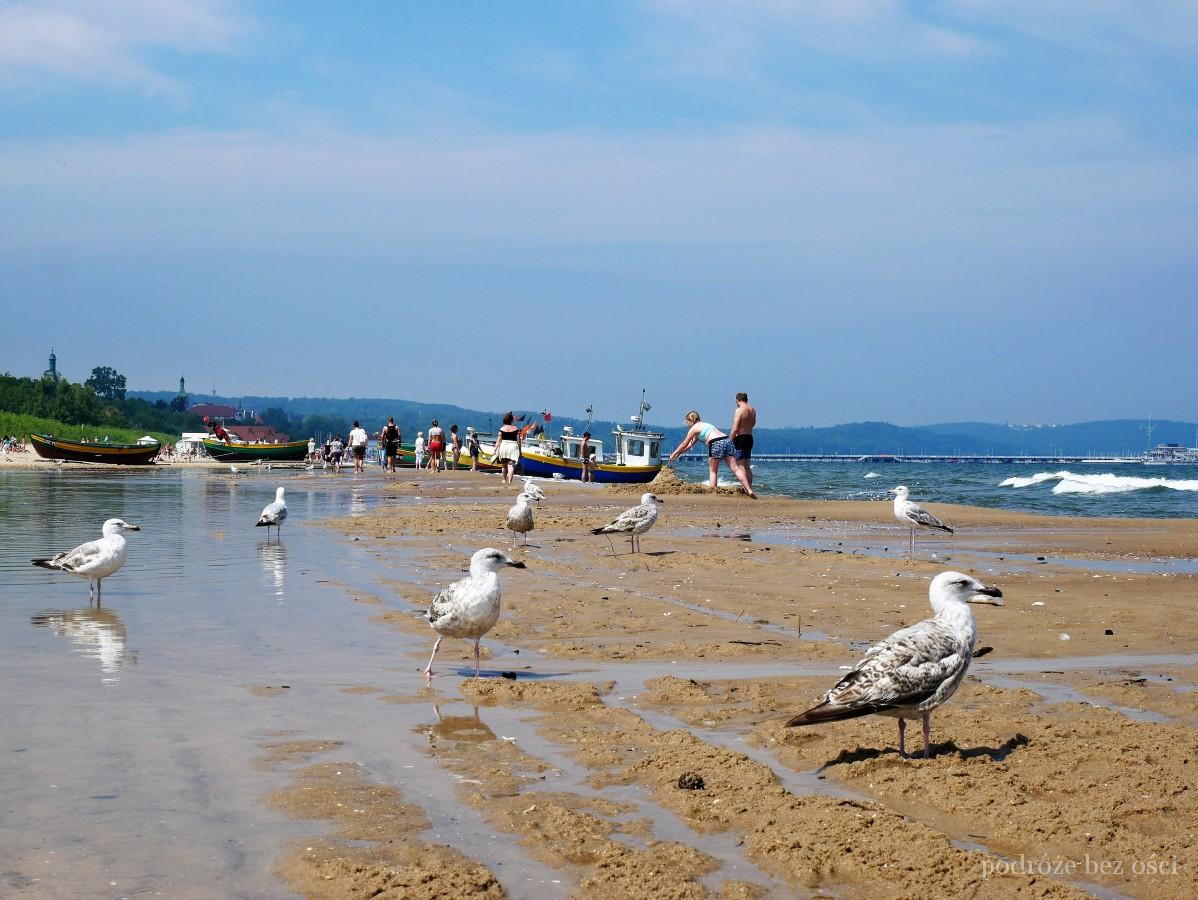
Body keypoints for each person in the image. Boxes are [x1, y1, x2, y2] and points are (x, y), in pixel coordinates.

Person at [667, 410, 756, 498]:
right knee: (736, 469)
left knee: (713, 471)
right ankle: (749, 490)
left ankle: (713, 493)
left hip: (716, 442)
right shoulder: (705, 425)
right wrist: (678, 454)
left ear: (691, 420)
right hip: (727, 440)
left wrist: (673, 453)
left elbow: (684, 443)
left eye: (687, 422)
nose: (687, 425)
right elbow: (690, 444)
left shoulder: (694, 428)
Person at [729, 392, 757, 492]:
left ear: (737, 400)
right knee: (747, 465)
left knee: (740, 465)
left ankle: (746, 489)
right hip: (749, 437)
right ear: (746, 400)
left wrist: (730, 440)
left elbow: (735, 428)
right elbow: (753, 424)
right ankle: (750, 487)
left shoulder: (739, 410)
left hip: (741, 438)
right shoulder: (753, 410)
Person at [492, 412, 521, 485]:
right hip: (513, 447)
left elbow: (498, 441)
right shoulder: (516, 429)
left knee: (504, 465)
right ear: (511, 420)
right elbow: (518, 441)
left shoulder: (502, 429)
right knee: (511, 465)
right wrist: (520, 450)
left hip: (504, 447)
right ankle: (510, 481)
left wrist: (495, 450)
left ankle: (504, 479)